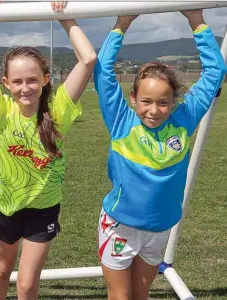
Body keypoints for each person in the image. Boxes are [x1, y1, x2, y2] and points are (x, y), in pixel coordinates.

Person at [0, 2, 96, 299]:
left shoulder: (58, 110)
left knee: (26, 282)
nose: (25, 87)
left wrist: (63, 16)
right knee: (1, 271)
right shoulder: (1, 109)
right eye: (17, 81)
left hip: (43, 209)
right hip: (6, 206)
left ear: (46, 80)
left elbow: (88, 59)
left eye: (32, 79)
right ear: (6, 84)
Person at [94, 10, 225, 300]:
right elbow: (102, 70)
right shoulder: (120, 121)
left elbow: (215, 72)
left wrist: (196, 19)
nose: (154, 110)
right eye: (146, 101)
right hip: (120, 226)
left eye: (163, 103)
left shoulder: (183, 121)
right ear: (133, 99)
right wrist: (122, 24)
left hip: (159, 228)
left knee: (141, 294)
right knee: (120, 296)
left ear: (174, 102)